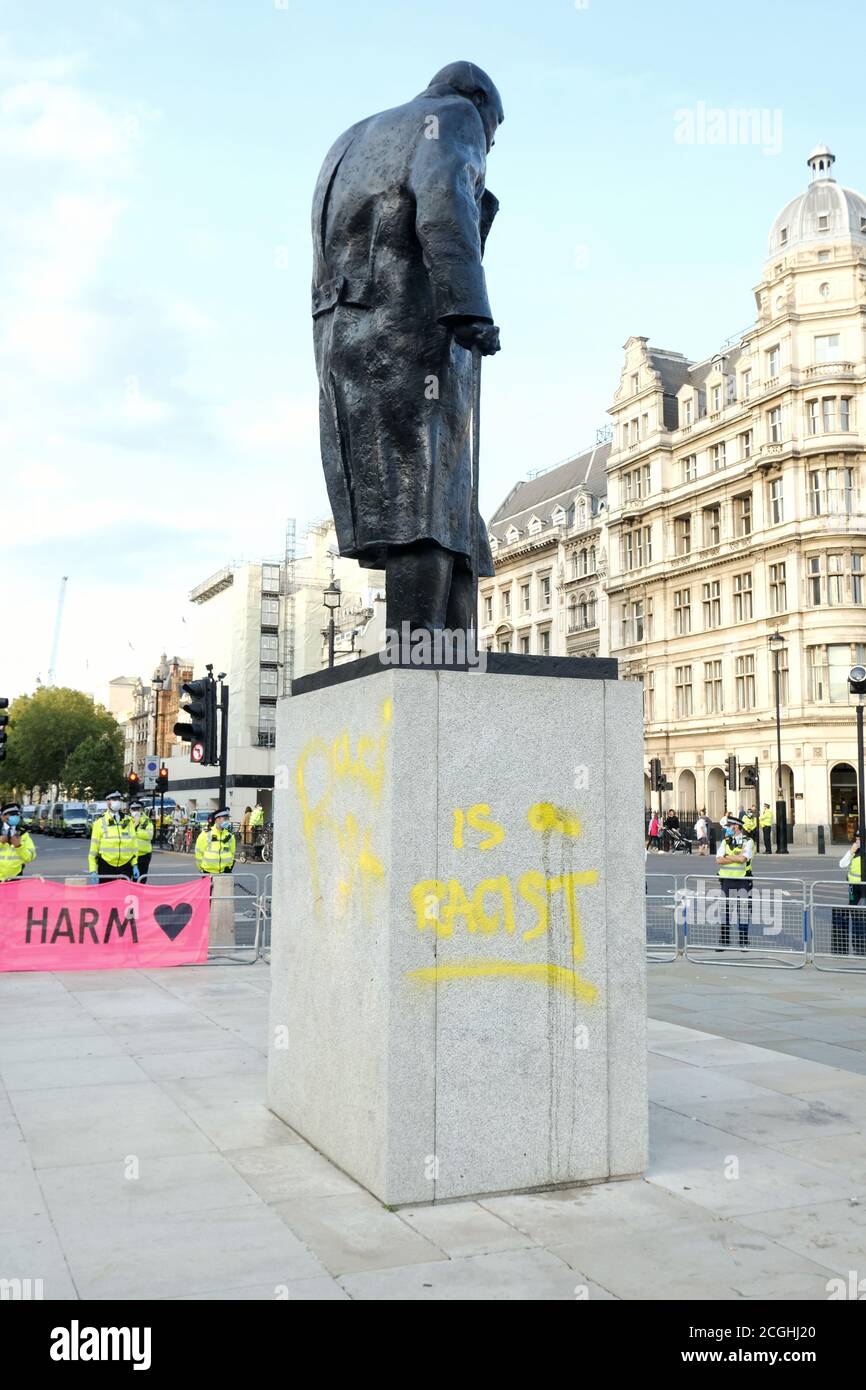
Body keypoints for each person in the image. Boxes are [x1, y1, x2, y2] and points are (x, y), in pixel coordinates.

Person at [312, 62, 504, 634]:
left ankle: (449, 641)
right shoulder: (452, 116)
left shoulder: (349, 139)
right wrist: (469, 308)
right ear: (479, 102)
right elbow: (446, 197)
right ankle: (422, 650)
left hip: (345, 339)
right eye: (494, 132)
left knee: (429, 498)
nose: (489, 141)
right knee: (425, 499)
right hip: (413, 329)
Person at [716, 816, 754, 950]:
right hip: (726, 880)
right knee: (724, 910)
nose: (727, 829)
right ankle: (724, 941)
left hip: (743, 880)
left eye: (729, 826)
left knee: (743, 911)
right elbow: (719, 860)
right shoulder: (725, 842)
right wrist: (734, 858)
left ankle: (743, 940)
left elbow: (743, 859)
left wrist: (727, 857)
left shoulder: (748, 841)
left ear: (736, 827)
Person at [88, 792, 139, 884]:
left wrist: (135, 864)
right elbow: (93, 850)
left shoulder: (128, 821)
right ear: (108, 802)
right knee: (107, 897)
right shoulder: (99, 823)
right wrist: (92, 870)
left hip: (125, 866)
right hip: (106, 866)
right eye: (114, 799)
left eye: (119, 799)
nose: (117, 802)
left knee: (123, 896)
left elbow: (134, 845)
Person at [836, 836, 866, 954]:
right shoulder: (853, 852)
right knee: (854, 912)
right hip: (854, 886)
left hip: (864, 885)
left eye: (860, 840)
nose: (857, 842)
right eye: (856, 839)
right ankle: (857, 944)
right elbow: (842, 864)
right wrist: (851, 852)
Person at [0, 803, 37, 883]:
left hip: (15, 879)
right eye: (12, 814)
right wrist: (1, 842)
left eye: (17, 815)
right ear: (3, 817)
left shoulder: (23, 833)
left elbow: (30, 857)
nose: (15, 817)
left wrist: (19, 847)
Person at [195, 808, 236, 876]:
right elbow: (198, 854)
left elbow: (232, 853)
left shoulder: (230, 835)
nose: (227, 821)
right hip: (208, 873)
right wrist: (201, 869)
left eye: (228, 819)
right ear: (217, 819)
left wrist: (229, 866)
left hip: (225, 872)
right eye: (225, 819)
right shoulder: (205, 834)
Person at [129, 800, 154, 883]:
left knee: (141, 880)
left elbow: (149, 835)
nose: (136, 811)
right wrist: (135, 825)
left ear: (142, 809)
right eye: (133, 809)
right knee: (128, 879)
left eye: (138, 809)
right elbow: (125, 834)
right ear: (130, 810)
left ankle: (140, 896)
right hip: (129, 855)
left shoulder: (147, 821)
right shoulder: (126, 820)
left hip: (143, 855)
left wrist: (135, 831)